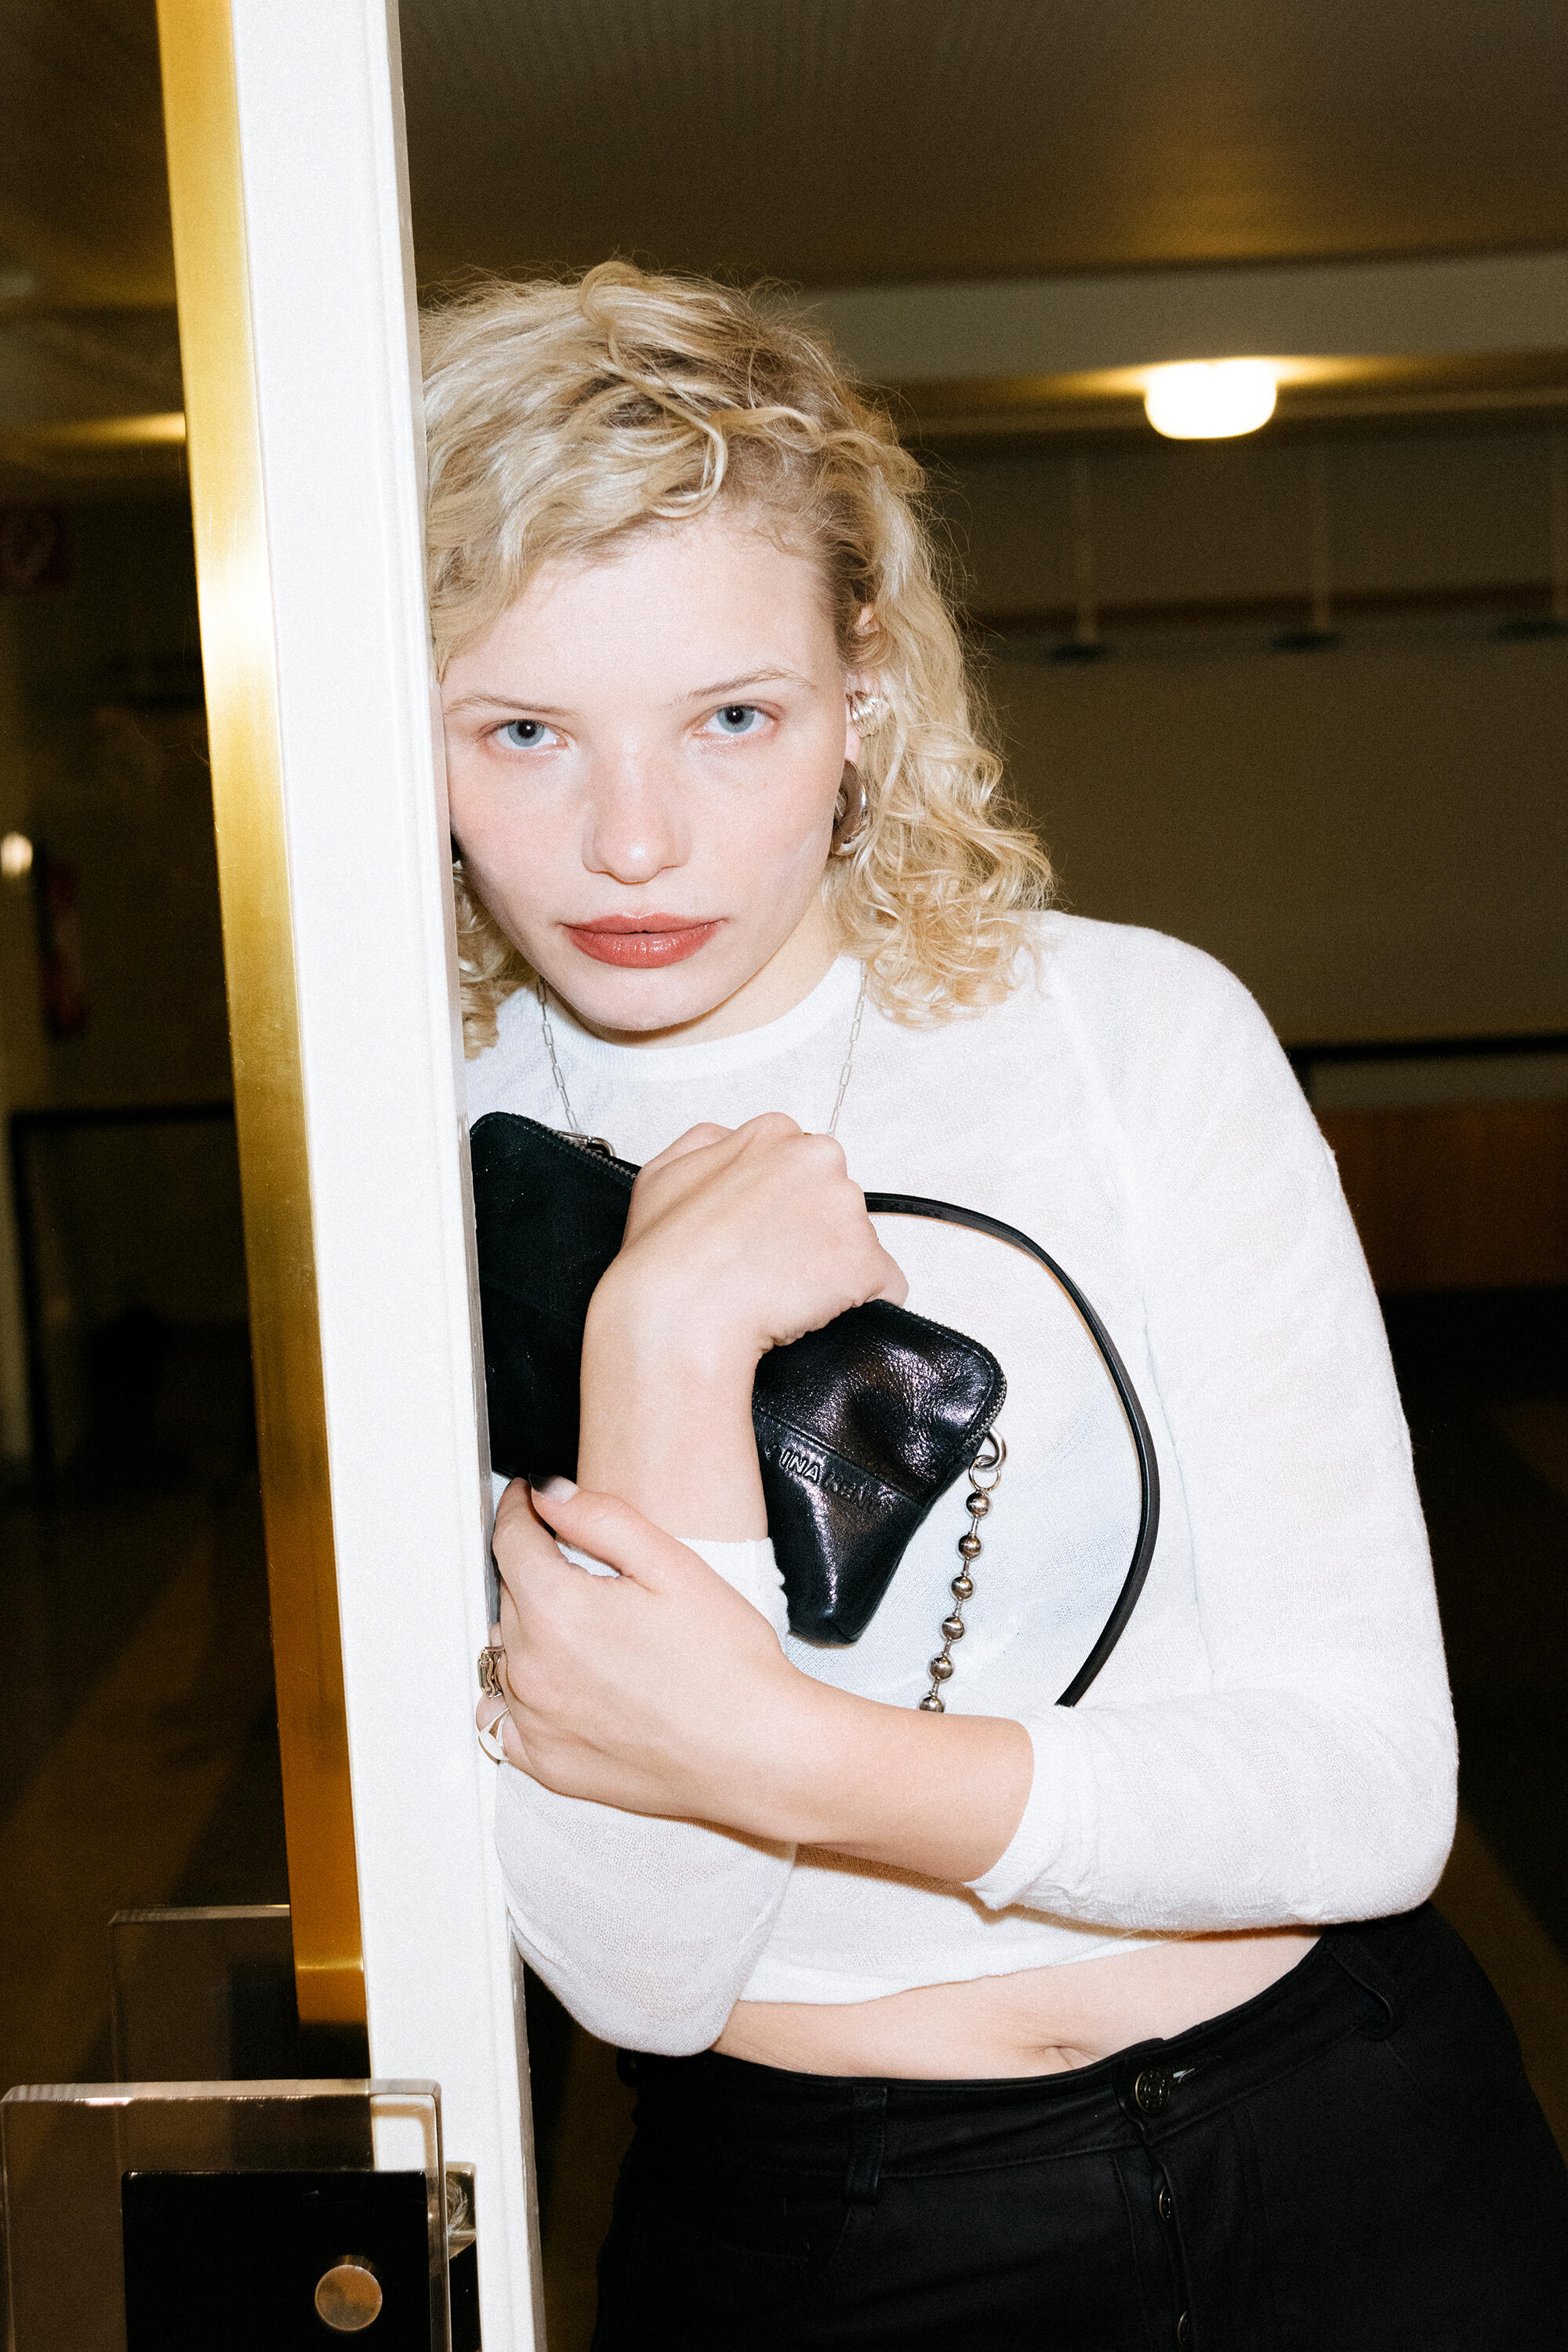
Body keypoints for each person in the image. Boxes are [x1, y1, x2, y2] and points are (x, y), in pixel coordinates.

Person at [426, 263, 1567, 2348]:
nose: (635, 839)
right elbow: (638, 1970)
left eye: (731, 716)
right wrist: (663, 1350)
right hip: (831, 2235)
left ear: (864, 686)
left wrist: (788, 1750)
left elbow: (1375, 1794)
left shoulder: (1129, 1033)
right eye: (522, 730)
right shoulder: (419, 1162)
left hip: (1366, 2147)